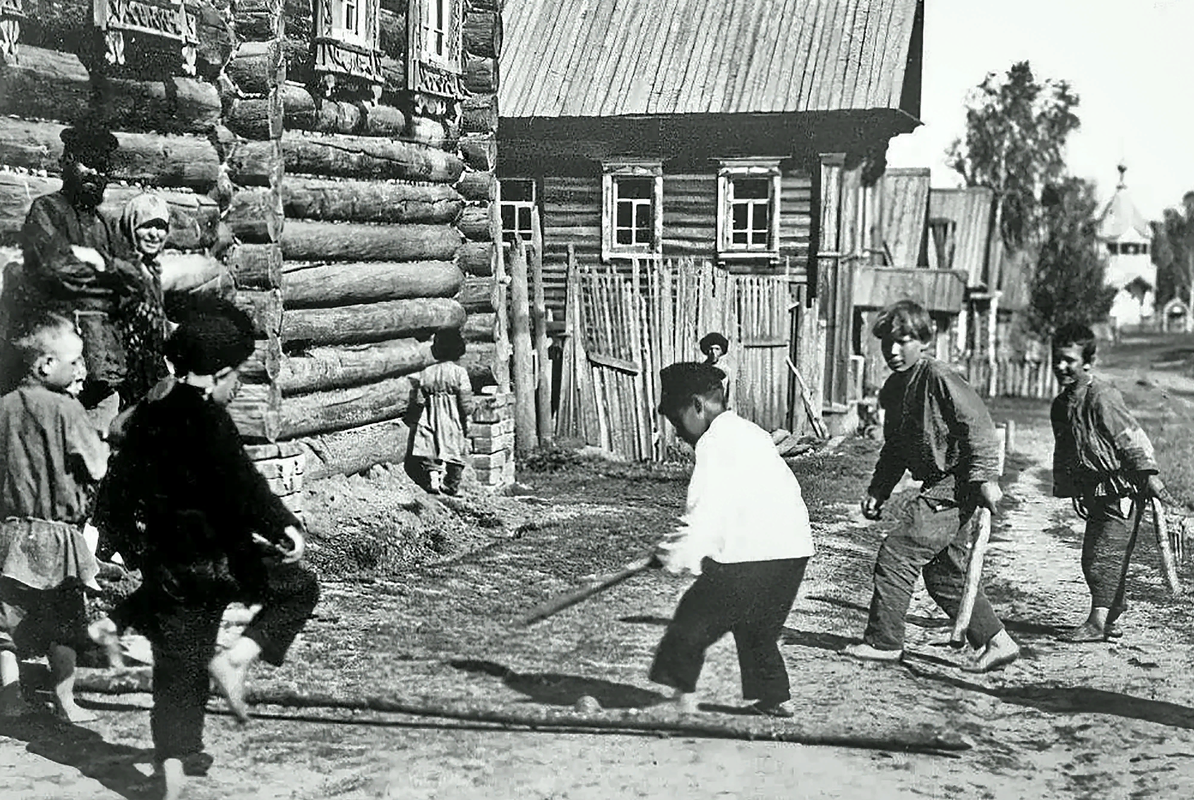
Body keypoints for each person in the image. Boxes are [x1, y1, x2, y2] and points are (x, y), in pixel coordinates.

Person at [90, 297, 319, 800]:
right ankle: (237, 660)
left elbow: (114, 493)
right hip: (223, 558)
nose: (238, 386)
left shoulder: (146, 416)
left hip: (169, 562)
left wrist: (132, 547)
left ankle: (173, 766)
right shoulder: (212, 422)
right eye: (237, 375)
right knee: (299, 587)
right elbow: (242, 486)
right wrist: (283, 526)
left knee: (179, 665)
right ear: (216, 373)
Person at [843, 300, 1020, 673]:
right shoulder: (894, 389)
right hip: (940, 484)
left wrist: (987, 479)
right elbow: (895, 448)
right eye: (888, 342)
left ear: (924, 340)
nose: (893, 350)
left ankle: (884, 642)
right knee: (942, 574)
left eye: (904, 340)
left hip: (957, 484)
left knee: (897, 552)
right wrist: (879, 489)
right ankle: (997, 641)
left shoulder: (939, 376)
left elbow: (979, 425)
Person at [648, 361, 814, 718]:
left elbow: (703, 513)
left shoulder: (713, 443)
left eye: (677, 421)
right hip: (792, 549)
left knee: (692, 619)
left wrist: (676, 551)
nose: (678, 432)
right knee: (757, 628)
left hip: (751, 553)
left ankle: (679, 700)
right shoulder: (750, 432)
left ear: (697, 405)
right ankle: (775, 697)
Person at [0, 314, 107, 721]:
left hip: (8, 536)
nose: (82, 369)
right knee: (64, 622)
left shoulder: (3, 407)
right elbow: (95, 466)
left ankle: (9, 701)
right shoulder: (67, 409)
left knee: (4, 623)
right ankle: (65, 703)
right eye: (75, 361)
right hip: (57, 537)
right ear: (46, 365)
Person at [6, 124, 141, 430]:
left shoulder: (107, 226)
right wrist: (111, 280)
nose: (95, 172)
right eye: (87, 161)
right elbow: (55, 270)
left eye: (102, 166)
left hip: (104, 374)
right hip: (59, 376)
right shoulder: (47, 211)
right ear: (66, 162)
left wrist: (102, 263)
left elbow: (137, 281)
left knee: (98, 462)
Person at [1050, 322, 1164, 642]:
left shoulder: (1102, 395)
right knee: (1100, 554)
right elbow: (1066, 452)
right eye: (1056, 359)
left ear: (1087, 361)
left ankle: (1098, 622)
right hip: (1096, 490)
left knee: (1101, 556)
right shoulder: (1061, 405)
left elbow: (1130, 437)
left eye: (1069, 360)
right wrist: (1073, 489)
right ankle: (1112, 613)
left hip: (1124, 487)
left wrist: (1148, 476)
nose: (1061, 366)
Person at [116, 193, 172, 406]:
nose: (154, 234)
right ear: (131, 227)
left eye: (160, 227)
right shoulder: (121, 270)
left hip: (151, 371)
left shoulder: (153, 272)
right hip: (126, 376)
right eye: (146, 226)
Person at [408, 328, 474, 495]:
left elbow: (418, 399)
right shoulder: (459, 373)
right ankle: (451, 485)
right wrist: (469, 412)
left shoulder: (427, 372)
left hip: (429, 415)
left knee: (430, 447)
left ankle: (433, 478)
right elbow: (465, 402)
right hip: (452, 418)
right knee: (455, 450)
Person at [698, 331, 734, 407]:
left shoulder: (726, 370)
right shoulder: (701, 369)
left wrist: (728, 407)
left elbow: (730, 393)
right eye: (711, 349)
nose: (714, 353)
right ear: (707, 351)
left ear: (721, 351)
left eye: (717, 349)